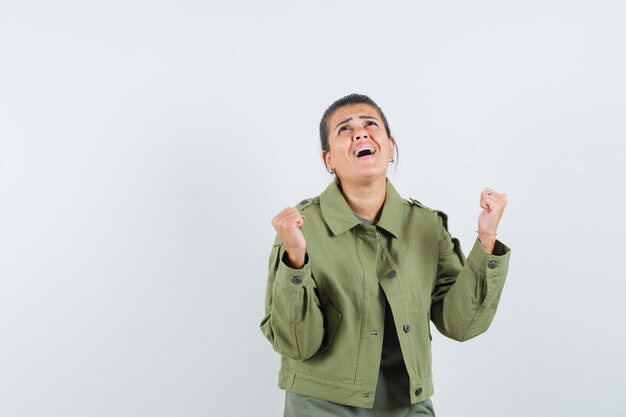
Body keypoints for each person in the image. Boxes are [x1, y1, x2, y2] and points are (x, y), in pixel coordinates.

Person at [260, 93, 511, 417]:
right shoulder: (299, 229)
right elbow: (297, 344)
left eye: (370, 125)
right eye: (344, 129)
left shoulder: (427, 225)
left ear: (390, 146)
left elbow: (462, 324)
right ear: (328, 160)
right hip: (322, 406)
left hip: (409, 404)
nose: (360, 133)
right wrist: (295, 258)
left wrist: (487, 238)